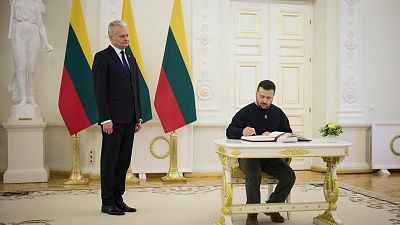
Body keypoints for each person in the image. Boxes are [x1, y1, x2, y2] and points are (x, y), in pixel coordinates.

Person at [226, 80, 296, 225]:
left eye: (268, 98)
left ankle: (272, 207)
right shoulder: (245, 112)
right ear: (256, 94)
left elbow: (288, 133)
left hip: (272, 158)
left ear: (273, 96)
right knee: (253, 174)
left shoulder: (278, 113)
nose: (264, 101)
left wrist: (274, 134)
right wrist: (242, 131)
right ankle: (252, 214)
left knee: (289, 175)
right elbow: (230, 131)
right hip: (249, 157)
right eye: (261, 96)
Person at [93, 20, 142, 216]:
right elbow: (99, 91)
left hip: (129, 119)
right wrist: (105, 118)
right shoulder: (102, 57)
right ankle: (107, 202)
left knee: (123, 161)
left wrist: (137, 116)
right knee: (110, 161)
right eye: (122, 36)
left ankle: (118, 199)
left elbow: (134, 90)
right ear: (111, 37)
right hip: (111, 121)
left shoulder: (130, 58)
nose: (126, 39)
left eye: (127, 35)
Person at [8, 0, 53, 106]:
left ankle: (30, 96)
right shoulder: (15, 1)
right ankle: (23, 98)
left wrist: (46, 43)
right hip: (19, 32)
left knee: (31, 68)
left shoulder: (37, 3)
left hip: (33, 33)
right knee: (21, 68)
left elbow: (41, 25)